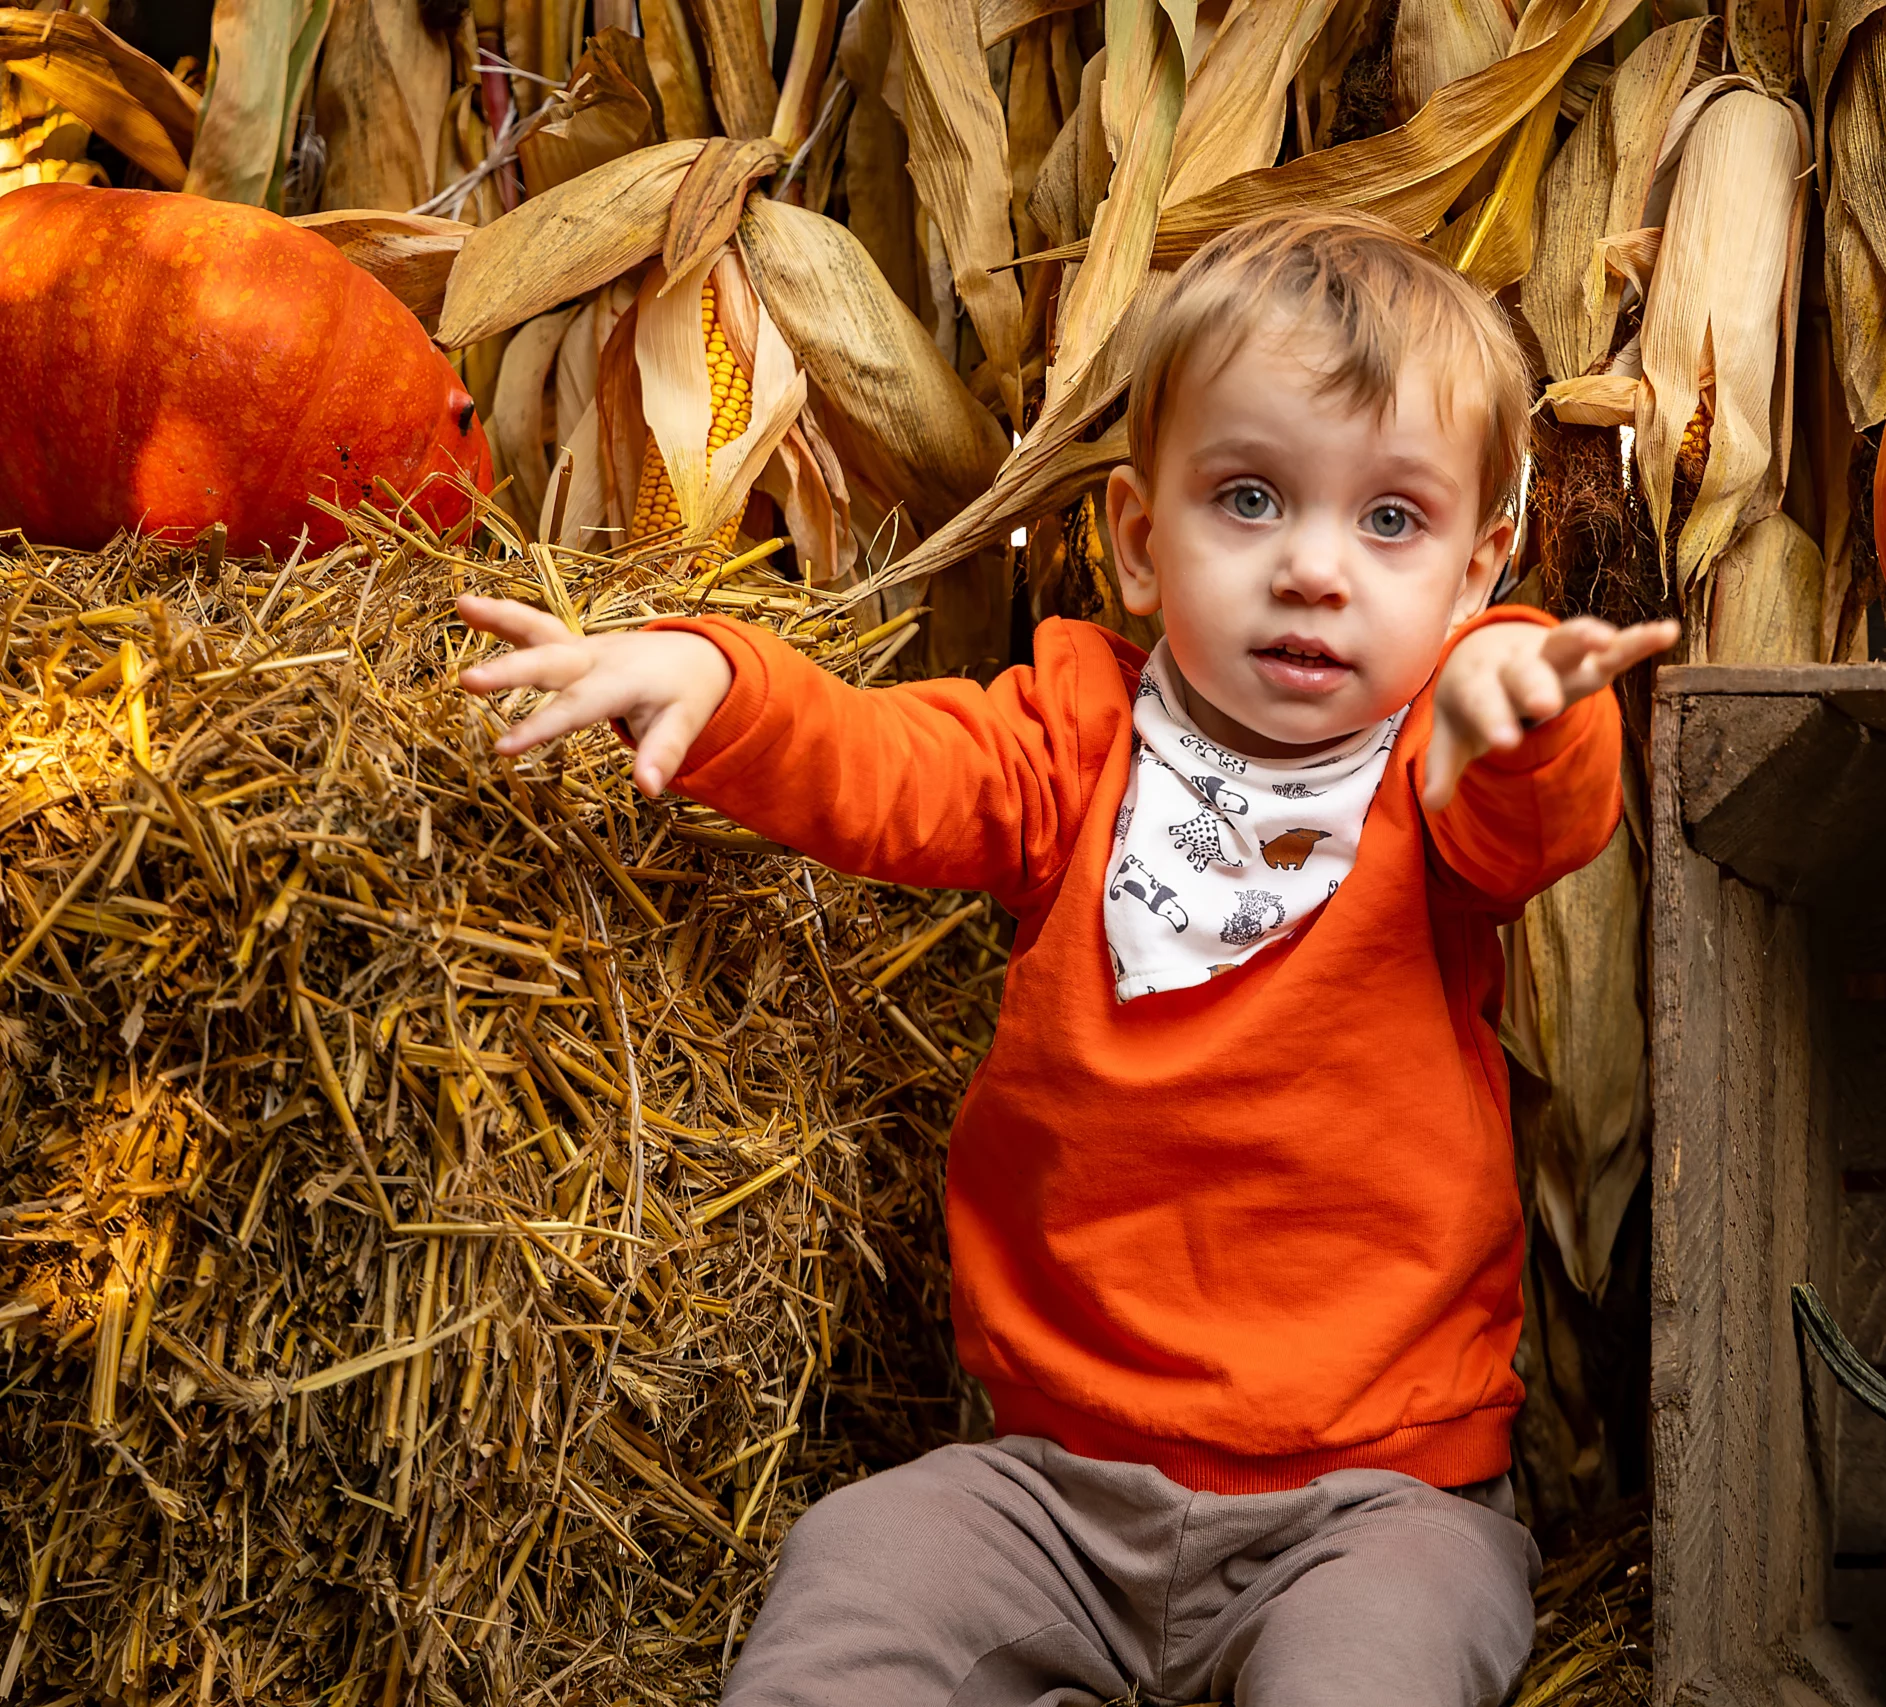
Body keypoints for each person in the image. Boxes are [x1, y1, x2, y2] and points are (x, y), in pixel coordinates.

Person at [458, 210, 1678, 1707]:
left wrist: (1525, 704)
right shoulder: (1075, 738)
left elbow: (1540, 823)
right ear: (1139, 540)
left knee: (1371, 1669)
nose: (1314, 569)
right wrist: (722, 682)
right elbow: (891, 764)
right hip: (1048, 1486)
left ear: (1477, 570)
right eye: (1249, 498)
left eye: (1391, 521)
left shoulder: (1435, 769)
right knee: (859, 1567)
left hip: (1376, 1501)